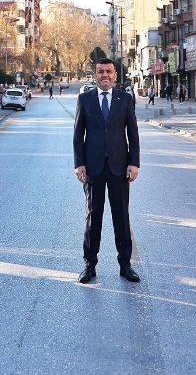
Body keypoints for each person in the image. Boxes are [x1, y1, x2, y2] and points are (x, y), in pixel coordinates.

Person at [73, 58, 140, 284]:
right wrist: (79, 163)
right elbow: (77, 135)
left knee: (121, 216)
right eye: (101, 71)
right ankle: (89, 265)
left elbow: (133, 134)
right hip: (93, 168)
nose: (105, 75)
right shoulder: (85, 99)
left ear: (115, 75)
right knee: (94, 217)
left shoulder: (125, 99)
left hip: (120, 168)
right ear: (95, 74)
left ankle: (125, 265)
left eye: (109, 72)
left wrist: (134, 163)